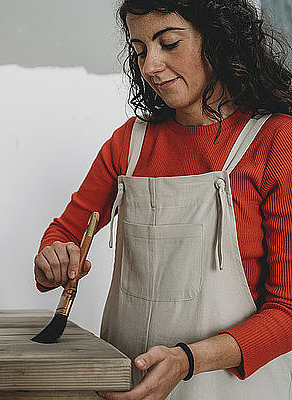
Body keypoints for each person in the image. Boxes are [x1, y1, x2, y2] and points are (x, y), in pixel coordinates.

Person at [33, 0, 292, 399]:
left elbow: (288, 311)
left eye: (169, 43)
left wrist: (186, 360)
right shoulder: (130, 142)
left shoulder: (276, 142)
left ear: (220, 41)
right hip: (124, 387)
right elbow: (66, 231)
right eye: (139, 50)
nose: (150, 65)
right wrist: (54, 257)